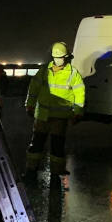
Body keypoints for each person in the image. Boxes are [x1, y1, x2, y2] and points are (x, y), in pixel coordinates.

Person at [25, 41, 85, 183]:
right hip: (45, 116)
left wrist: (78, 111)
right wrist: (30, 104)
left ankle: (51, 174)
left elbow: (79, 93)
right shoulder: (46, 71)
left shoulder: (71, 73)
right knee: (39, 144)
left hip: (57, 117)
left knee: (53, 146)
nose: (60, 60)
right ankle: (35, 171)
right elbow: (33, 88)